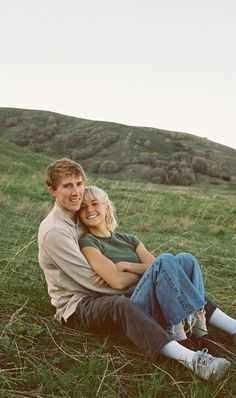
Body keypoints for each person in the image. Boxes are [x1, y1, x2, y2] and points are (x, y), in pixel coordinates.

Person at [38, 158, 235, 384]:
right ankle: (192, 358)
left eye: (79, 184)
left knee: (178, 268)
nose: (76, 193)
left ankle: (229, 327)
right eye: (67, 186)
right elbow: (95, 283)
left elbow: (110, 239)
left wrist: (152, 278)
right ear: (52, 191)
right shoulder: (55, 231)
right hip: (80, 305)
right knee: (130, 299)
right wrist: (151, 279)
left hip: (107, 290)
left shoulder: (79, 215)